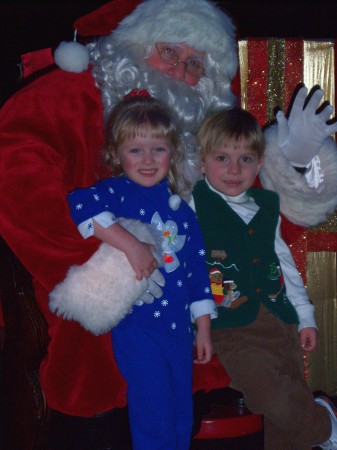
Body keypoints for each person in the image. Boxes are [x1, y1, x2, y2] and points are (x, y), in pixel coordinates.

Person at [0, 0, 337, 447]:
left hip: (192, 323)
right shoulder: (76, 95)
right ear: (137, 48)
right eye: (169, 52)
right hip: (102, 322)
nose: (180, 70)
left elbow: (250, 217)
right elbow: (15, 174)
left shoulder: (202, 130)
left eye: (195, 63)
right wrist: (114, 259)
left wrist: (290, 161)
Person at [66, 93, 215, 449]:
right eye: (135, 150)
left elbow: (197, 268)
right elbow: (80, 205)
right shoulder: (116, 192)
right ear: (117, 155)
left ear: (173, 153)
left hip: (179, 331)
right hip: (139, 327)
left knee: (181, 416)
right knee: (154, 415)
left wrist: (204, 328)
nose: (147, 160)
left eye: (158, 149)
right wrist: (130, 244)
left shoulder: (184, 211)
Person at [191, 106, 337, 450]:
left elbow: (284, 262)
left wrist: (305, 316)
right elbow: (189, 267)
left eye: (245, 159)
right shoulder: (194, 205)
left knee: (282, 431)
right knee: (271, 398)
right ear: (202, 162)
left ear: (259, 164)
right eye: (222, 158)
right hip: (232, 324)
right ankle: (325, 425)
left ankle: (311, 430)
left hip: (280, 318)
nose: (234, 169)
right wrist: (199, 324)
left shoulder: (265, 204)